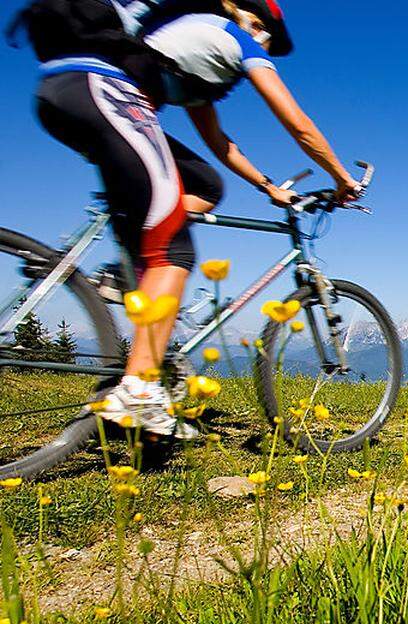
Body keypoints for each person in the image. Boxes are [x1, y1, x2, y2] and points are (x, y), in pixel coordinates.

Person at [27, 0, 360, 436]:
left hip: (66, 95)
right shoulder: (231, 36)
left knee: (205, 186)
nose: (261, 39)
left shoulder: (192, 62)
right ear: (235, 8)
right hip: (105, 93)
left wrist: (268, 187)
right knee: (175, 250)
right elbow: (296, 123)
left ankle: (128, 266)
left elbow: (221, 146)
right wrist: (341, 178)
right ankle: (140, 392)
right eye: (260, 27)